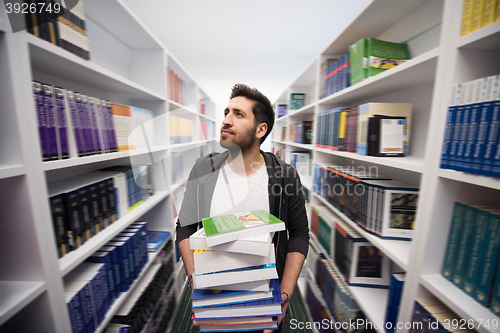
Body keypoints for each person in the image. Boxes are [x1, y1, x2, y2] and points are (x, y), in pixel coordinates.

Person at [175, 83, 310, 332]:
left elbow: (299, 235)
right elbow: (184, 226)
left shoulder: (284, 176)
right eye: (226, 112)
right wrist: (196, 282)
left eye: (238, 114)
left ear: (261, 129)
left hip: (264, 301)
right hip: (211, 298)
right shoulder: (203, 169)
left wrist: (286, 294)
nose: (226, 120)